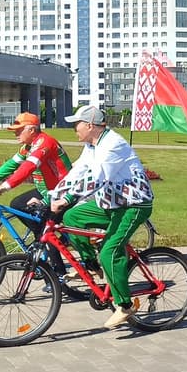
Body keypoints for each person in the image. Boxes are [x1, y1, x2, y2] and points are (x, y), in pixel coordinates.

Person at [49, 105, 154, 328]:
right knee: (73, 218)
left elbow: (97, 177)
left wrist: (67, 199)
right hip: (110, 203)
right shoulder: (92, 145)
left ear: (89, 125)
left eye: (76, 124)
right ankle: (91, 265)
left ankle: (125, 305)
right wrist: (52, 196)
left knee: (110, 251)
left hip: (133, 205)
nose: (74, 129)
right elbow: (77, 172)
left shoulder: (112, 144)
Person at [0, 112, 72, 241]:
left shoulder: (44, 143)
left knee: (46, 236)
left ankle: (46, 244)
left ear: (31, 130)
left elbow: (28, 167)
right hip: (47, 190)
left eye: (19, 131)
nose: (15, 134)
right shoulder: (28, 146)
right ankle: (41, 239)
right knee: (17, 204)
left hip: (61, 192)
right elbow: (11, 165)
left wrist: (4, 187)